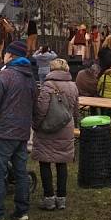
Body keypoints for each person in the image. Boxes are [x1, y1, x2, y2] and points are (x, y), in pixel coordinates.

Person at [0, 40, 37, 220]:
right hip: (22, 131)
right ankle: (22, 211)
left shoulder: (3, 76)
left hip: (3, 132)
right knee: (20, 172)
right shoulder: (30, 77)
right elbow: (34, 105)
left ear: (10, 55)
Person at [32, 58, 80, 211]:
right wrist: (75, 123)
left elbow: (41, 110)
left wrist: (36, 125)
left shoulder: (47, 86)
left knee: (45, 163)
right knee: (62, 162)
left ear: (51, 69)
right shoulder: (73, 86)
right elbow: (76, 108)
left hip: (47, 129)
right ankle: (62, 198)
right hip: (66, 127)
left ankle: (49, 198)